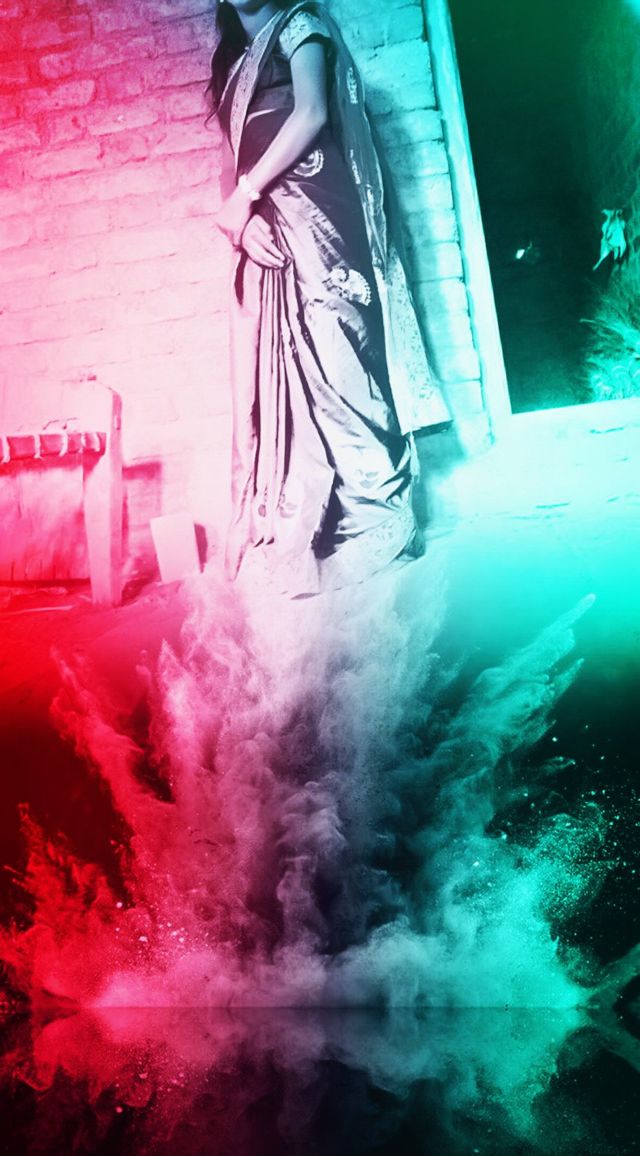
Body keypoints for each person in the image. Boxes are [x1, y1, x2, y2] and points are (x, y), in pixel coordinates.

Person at [209, 0, 451, 596]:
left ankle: (380, 515)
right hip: (266, 227)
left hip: (322, 220)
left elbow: (312, 111)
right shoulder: (232, 64)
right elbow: (232, 159)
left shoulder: (301, 28)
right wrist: (241, 222)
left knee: (340, 353)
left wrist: (246, 194)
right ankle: (312, 520)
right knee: (279, 370)